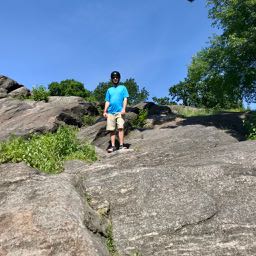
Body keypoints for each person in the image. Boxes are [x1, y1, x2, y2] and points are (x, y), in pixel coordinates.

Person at [103, 71, 129, 153]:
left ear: (119, 78)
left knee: (120, 127)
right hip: (110, 112)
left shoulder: (123, 88)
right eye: (114, 77)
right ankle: (113, 146)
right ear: (111, 79)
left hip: (119, 112)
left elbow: (125, 98)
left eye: (116, 77)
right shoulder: (109, 90)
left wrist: (124, 109)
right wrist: (105, 111)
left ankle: (121, 145)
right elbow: (107, 101)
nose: (115, 79)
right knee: (112, 130)